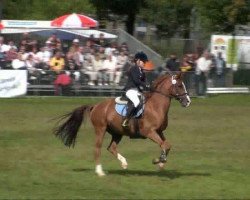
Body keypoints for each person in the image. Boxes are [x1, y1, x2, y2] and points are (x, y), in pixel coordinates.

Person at [122, 51, 149, 127]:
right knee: (136, 102)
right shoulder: (134, 68)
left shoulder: (142, 71)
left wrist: (149, 85)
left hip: (136, 91)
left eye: (145, 62)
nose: (144, 63)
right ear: (138, 61)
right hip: (130, 90)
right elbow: (136, 81)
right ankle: (126, 119)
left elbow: (145, 81)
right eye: (143, 61)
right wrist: (145, 85)